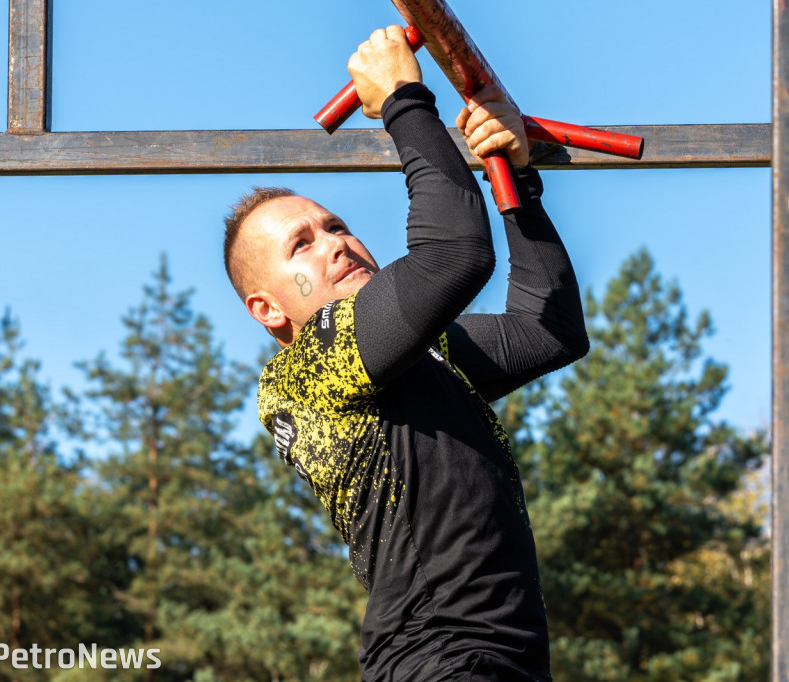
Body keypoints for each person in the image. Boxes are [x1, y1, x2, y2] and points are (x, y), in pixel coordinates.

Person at [223, 26, 587, 681]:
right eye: (300, 245)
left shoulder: (424, 356)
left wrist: (517, 179)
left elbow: (549, 328)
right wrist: (402, 99)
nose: (334, 243)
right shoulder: (306, 374)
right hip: (441, 665)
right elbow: (453, 255)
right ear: (269, 310)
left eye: (336, 226)